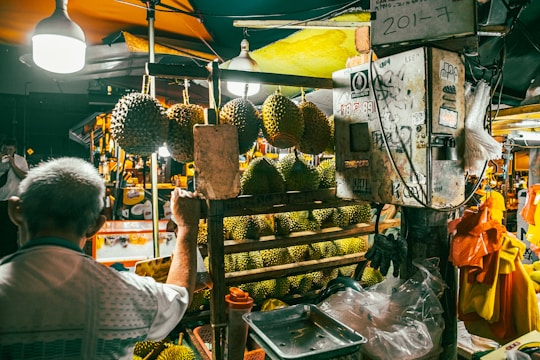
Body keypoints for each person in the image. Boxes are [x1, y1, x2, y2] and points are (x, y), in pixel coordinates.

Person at [0, 157, 201, 359]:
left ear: (16, 210)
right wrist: (187, 227)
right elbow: (179, 297)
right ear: (96, 226)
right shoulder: (125, 294)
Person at [0, 137, 28, 258]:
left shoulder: (20, 160)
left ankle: (9, 256)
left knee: (10, 231)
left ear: (15, 149)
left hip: (13, 200)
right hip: (0, 200)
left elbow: (25, 176)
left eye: (10, 149)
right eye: (5, 149)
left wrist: (13, 164)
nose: (8, 152)